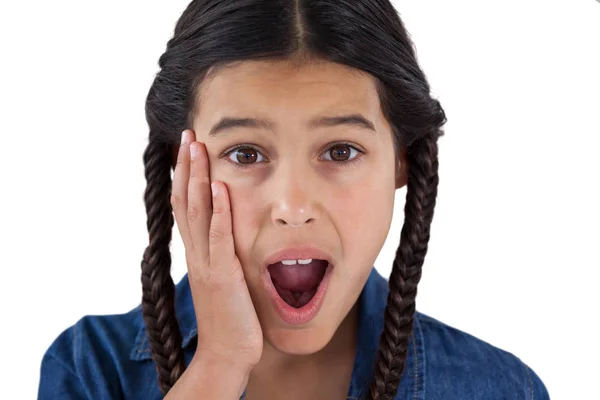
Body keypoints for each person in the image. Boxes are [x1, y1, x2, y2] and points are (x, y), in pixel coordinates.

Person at [37, 0, 550, 399]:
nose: (293, 204)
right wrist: (218, 364)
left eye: (341, 150)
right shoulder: (88, 371)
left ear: (402, 161)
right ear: (184, 166)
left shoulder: (505, 389)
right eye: (245, 153)